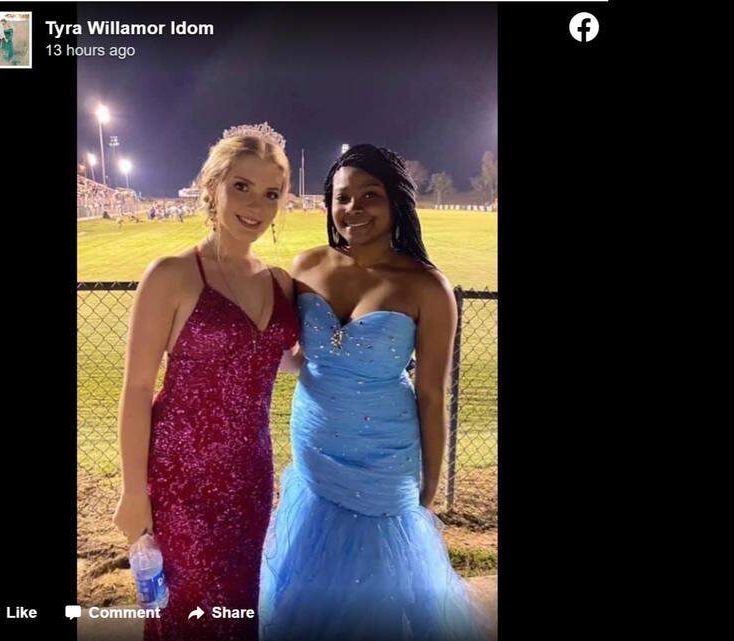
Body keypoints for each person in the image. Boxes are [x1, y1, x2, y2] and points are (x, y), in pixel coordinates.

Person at [260, 145, 490, 641]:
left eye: (371, 195)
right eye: (343, 197)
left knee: (377, 591)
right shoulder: (306, 266)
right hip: (315, 445)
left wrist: (427, 488)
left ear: (396, 203)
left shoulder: (428, 286)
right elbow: (290, 353)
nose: (355, 209)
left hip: (385, 457)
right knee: (308, 583)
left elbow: (431, 395)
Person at [114, 123, 299, 641]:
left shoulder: (281, 282)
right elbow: (135, 390)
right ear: (212, 185)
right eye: (241, 186)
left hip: (251, 478)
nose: (256, 206)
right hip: (180, 482)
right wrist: (134, 492)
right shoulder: (171, 275)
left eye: (271, 193)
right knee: (185, 616)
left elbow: (284, 360)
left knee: (239, 609)